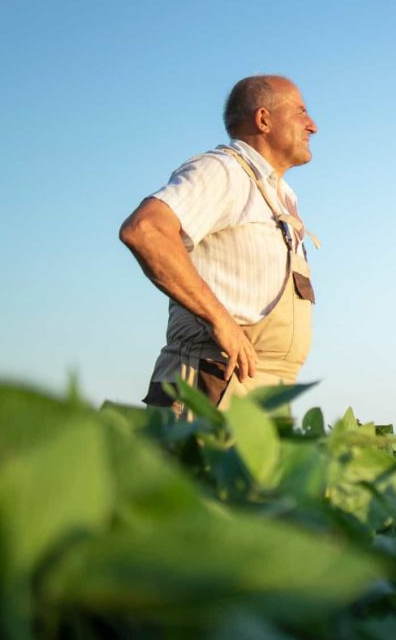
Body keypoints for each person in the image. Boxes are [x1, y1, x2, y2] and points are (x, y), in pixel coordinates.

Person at [120, 74, 319, 413]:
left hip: (260, 398)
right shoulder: (224, 171)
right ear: (263, 119)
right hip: (210, 388)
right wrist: (220, 321)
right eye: (300, 112)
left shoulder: (280, 195)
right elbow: (145, 229)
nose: (312, 125)